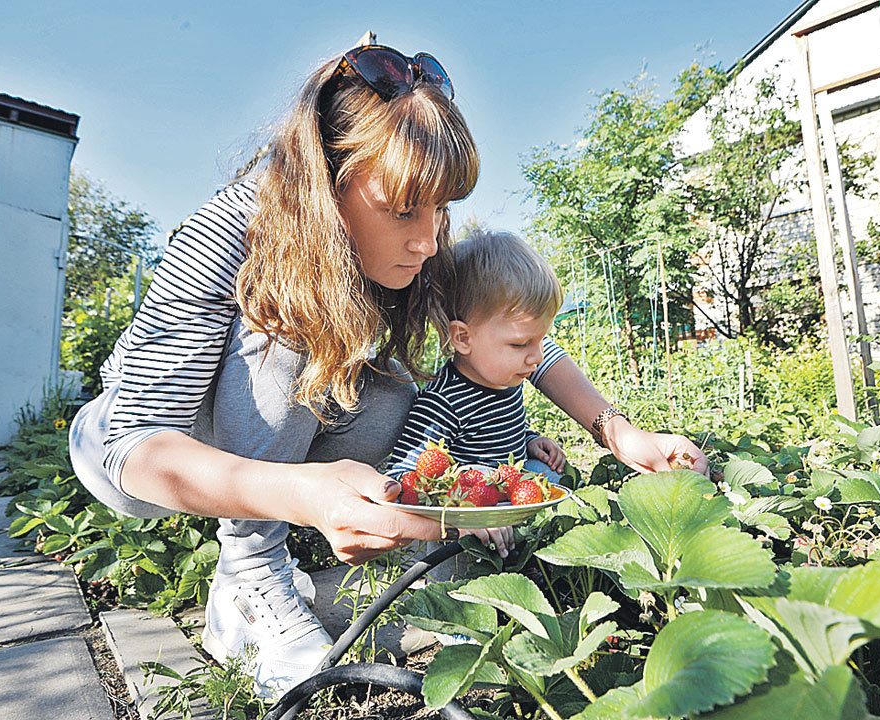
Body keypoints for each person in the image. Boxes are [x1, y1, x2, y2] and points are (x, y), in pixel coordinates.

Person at [69, 43, 709, 698]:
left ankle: (300, 554)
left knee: (399, 398)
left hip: (247, 436)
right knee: (295, 319)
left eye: (440, 209)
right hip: (139, 446)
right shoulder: (231, 228)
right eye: (405, 211)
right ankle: (249, 576)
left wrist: (617, 432)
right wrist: (304, 495)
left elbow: (511, 334)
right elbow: (130, 447)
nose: (429, 241)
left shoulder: (419, 244)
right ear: (328, 181)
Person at [385, 229, 567, 492]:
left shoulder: (505, 380)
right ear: (463, 338)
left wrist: (529, 440)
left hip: (505, 491)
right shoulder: (443, 403)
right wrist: (462, 500)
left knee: (553, 477)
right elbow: (403, 472)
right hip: (468, 511)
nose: (538, 356)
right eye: (520, 344)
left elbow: (502, 437)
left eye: (540, 340)